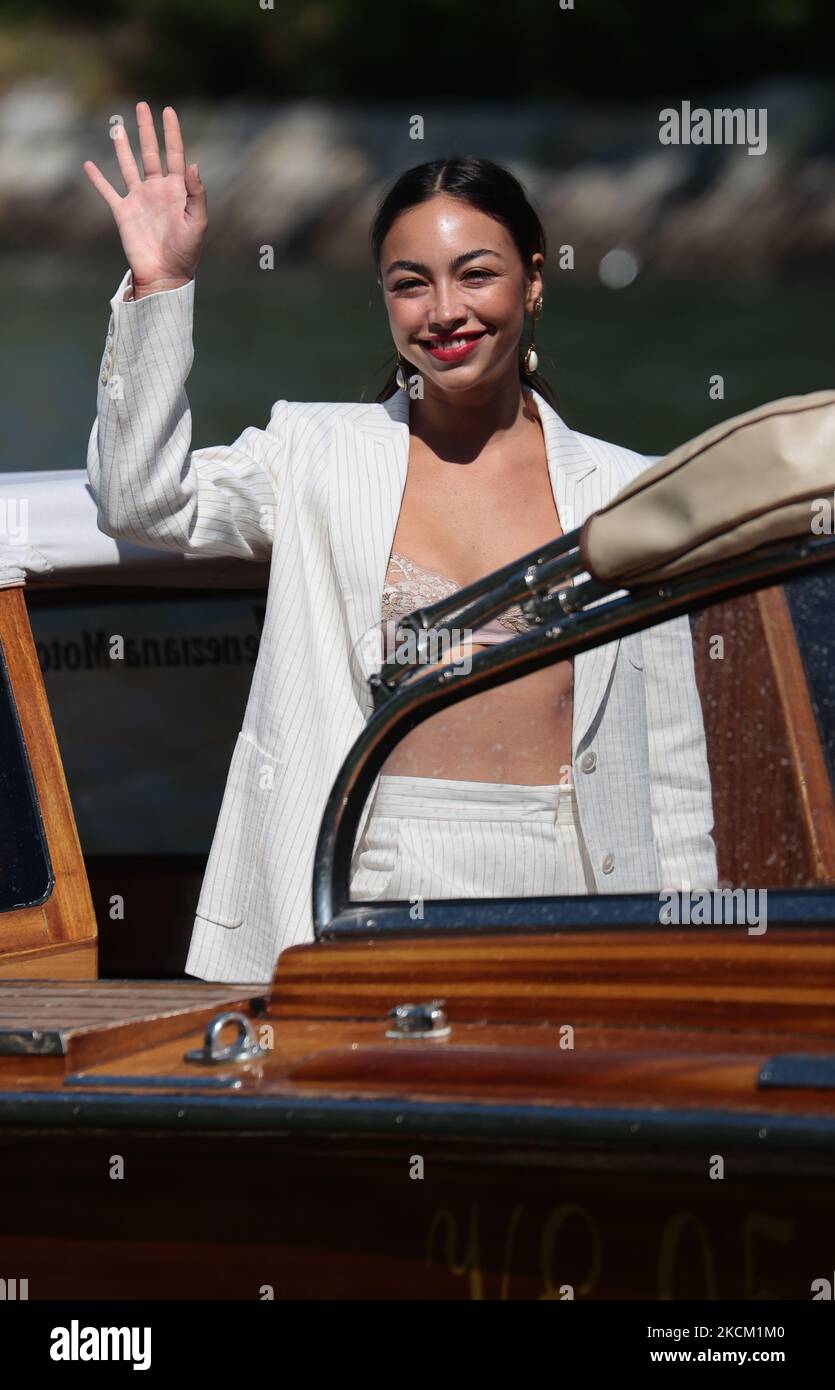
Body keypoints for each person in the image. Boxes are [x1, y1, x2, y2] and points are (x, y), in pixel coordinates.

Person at [84, 103, 717, 983]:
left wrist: (687, 962)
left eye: (476, 275)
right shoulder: (313, 453)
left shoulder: (626, 491)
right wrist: (159, 286)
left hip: (577, 891)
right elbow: (141, 502)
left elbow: (673, 767)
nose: (445, 311)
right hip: (361, 887)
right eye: (410, 283)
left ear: (533, 282)